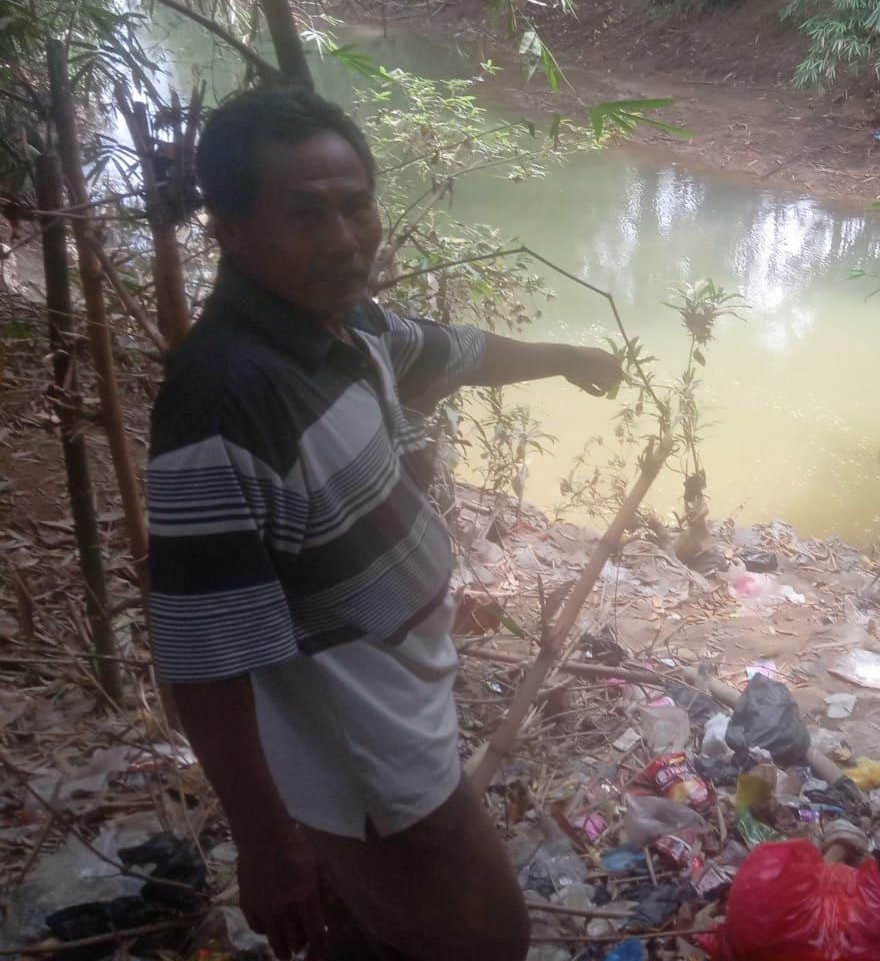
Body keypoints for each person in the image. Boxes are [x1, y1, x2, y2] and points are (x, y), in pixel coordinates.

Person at [145, 85, 622, 961]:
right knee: (486, 938)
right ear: (230, 228)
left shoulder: (342, 329)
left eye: (355, 205)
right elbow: (202, 656)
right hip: (358, 746)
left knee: (376, 928)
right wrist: (264, 840)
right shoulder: (224, 400)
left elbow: (459, 352)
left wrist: (567, 358)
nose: (343, 238)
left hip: (400, 696)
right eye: (304, 214)